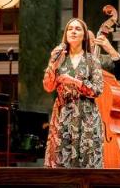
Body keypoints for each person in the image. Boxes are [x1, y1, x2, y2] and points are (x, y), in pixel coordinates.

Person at [43, 18, 105, 169]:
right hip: (63, 113)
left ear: (84, 35)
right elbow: (48, 86)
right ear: (65, 34)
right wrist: (52, 64)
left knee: (88, 162)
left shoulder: (92, 60)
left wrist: (75, 81)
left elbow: (98, 90)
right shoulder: (60, 58)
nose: (73, 31)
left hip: (86, 115)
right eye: (70, 29)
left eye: (78, 29)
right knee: (60, 161)